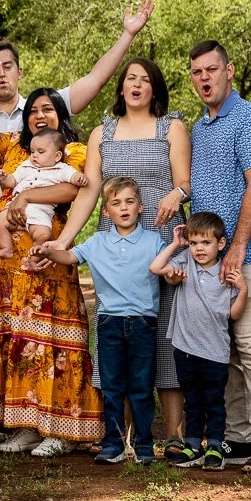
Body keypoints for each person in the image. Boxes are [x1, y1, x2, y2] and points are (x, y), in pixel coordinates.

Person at [65, 57, 194, 457]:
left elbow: (184, 181)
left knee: (167, 338)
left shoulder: (170, 127)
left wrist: (178, 193)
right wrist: (64, 241)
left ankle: (172, 435)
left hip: (163, 242)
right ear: (120, 87)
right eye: (130, 79)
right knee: (118, 341)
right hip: (117, 251)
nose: (137, 85)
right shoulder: (102, 132)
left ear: (154, 88)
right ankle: (119, 437)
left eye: (145, 80)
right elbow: (89, 192)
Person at [0, 83, 99, 458]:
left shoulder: (72, 151)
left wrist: (23, 197)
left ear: (60, 117)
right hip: (6, 267)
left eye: (48, 109)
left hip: (46, 261)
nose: (40, 115)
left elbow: (70, 193)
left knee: (51, 341)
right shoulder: (13, 146)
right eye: (34, 111)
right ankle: (25, 425)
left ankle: (60, 427)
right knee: (17, 343)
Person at [188, 40, 251, 474]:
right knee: (223, 349)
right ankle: (241, 437)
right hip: (212, 262)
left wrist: (240, 247)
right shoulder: (199, 128)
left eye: (212, 69)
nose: (205, 78)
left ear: (230, 71)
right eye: (197, 72)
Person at [0, 3, 155, 223]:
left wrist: (127, 34)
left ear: (19, 71)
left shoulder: (45, 106)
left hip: (47, 231)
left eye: (7, 66)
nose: (0, 74)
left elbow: (95, 79)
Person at [29, 176, 164, 466]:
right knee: (112, 386)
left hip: (143, 323)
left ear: (140, 207)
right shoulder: (98, 241)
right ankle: (113, 443)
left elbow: (168, 267)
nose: (123, 207)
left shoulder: (154, 240)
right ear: (106, 212)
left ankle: (144, 445)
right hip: (110, 322)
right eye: (116, 203)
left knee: (141, 386)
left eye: (129, 202)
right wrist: (48, 250)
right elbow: (68, 257)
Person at [150, 212, 247, 470]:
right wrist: (175, 244)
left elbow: (234, 314)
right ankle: (193, 446)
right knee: (192, 401)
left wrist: (244, 289)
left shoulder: (227, 273)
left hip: (215, 352)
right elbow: (156, 268)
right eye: (194, 243)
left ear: (221, 244)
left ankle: (215, 447)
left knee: (214, 402)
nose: (199, 249)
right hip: (185, 349)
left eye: (205, 243)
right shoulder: (185, 263)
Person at [0, 129, 82, 255]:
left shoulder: (61, 169)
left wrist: (79, 178)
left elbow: (73, 177)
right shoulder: (26, 166)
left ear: (57, 156)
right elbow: (12, 182)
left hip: (40, 209)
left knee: (43, 234)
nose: (34, 155)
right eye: (32, 152)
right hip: (14, 207)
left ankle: (35, 256)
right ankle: (7, 248)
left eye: (40, 152)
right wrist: (5, 177)